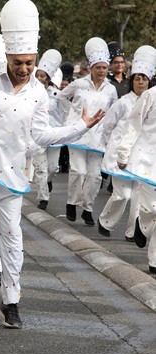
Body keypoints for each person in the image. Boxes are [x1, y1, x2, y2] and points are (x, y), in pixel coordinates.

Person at [0, 0, 105, 329]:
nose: (24, 69)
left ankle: (10, 303)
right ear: (7, 55)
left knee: (12, 239)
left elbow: (41, 135)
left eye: (30, 63)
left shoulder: (39, 93)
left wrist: (81, 127)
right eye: (19, 62)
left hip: (12, 179)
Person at [59, 37, 118, 226]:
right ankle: (71, 203)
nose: (101, 71)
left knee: (94, 175)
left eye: (104, 68)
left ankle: (87, 208)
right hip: (78, 134)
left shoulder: (110, 89)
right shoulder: (78, 85)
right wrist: (70, 118)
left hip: (98, 137)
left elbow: (115, 111)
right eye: (98, 67)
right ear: (91, 68)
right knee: (78, 170)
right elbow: (61, 97)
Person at [97, 47, 153, 241]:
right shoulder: (123, 102)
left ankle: (132, 232)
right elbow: (108, 126)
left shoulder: (152, 100)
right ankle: (105, 221)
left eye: (143, 78)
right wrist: (110, 147)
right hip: (119, 155)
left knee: (138, 197)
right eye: (137, 78)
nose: (140, 82)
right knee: (123, 195)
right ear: (132, 81)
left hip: (142, 156)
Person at [116, 45, 156, 273]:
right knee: (152, 209)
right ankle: (142, 223)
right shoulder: (150, 96)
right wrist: (123, 154)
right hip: (147, 161)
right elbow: (132, 126)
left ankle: (154, 260)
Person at [33, 49, 63, 209]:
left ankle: (49, 181)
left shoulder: (57, 94)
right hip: (37, 137)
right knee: (40, 169)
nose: (39, 78)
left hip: (53, 135)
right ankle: (43, 198)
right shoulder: (30, 93)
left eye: (42, 76)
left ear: (48, 78)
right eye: (37, 75)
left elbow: (66, 112)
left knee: (52, 168)